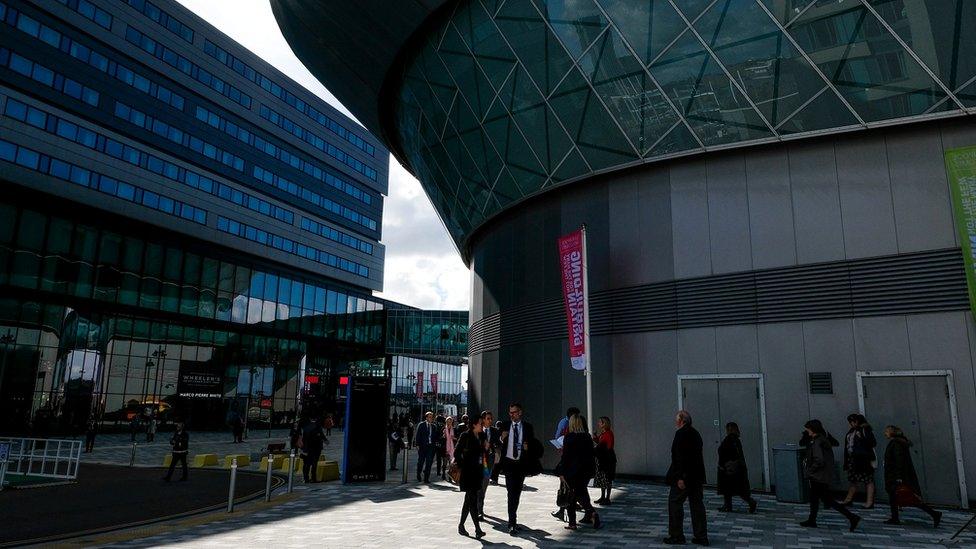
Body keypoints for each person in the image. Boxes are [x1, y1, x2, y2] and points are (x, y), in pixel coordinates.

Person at [799, 419, 861, 531]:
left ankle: (852, 517)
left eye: (808, 428)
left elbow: (819, 460)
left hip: (818, 476)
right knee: (817, 498)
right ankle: (812, 519)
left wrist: (810, 471)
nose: (806, 430)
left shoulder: (817, 441)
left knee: (826, 499)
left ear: (812, 429)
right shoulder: (823, 439)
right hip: (822, 475)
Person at [882, 425, 942, 527]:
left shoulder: (895, 443)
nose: (885, 433)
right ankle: (895, 517)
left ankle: (934, 513)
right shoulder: (899, 442)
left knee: (905, 497)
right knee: (896, 497)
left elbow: (898, 460)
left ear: (892, 432)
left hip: (895, 475)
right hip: (896, 474)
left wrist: (898, 476)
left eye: (887, 431)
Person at [664, 410, 708, 546]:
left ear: (682, 420)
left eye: (677, 419)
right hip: (697, 477)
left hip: (684, 477)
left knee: (675, 503)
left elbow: (680, 457)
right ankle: (701, 536)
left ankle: (677, 535)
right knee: (697, 506)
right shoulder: (695, 433)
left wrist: (681, 477)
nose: (675, 422)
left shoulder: (681, 434)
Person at [499, 402, 538, 536]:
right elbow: (497, 440)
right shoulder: (505, 425)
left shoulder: (527, 427)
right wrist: (501, 438)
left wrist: (528, 447)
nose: (511, 415)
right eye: (510, 412)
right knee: (511, 493)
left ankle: (513, 520)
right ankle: (512, 523)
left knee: (517, 493)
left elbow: (533, 444)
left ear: (520, 412)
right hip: (509, 464)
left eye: (514, 412)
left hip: (521, 465)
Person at [558, 414, 602, 530]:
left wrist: (561, 472)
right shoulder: (587, 437)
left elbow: (566, 457)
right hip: (586, 471)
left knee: (572, 496)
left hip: (572, 471)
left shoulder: (569, 437)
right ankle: (587, 515)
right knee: (580, 492)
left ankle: (582, 517)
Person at [456, 417, 488, 539]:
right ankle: (477, 529)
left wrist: (486, 448)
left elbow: (483, 453)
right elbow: (456, 453)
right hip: (468, 473)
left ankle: (461, 525)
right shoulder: (465, 436)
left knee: (468, 500)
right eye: (480, 423)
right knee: (472, 500)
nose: (482, 425)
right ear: (474, 425)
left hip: (478, 473)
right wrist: (463, 465)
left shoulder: (482, 436)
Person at [717, 422, 757, 513]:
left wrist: (723, 465)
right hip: (736, 468)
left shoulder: (729, 439)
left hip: (729, 468)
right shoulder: (736, 440)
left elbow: (723, 452)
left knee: (729, 488)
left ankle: (731, 505)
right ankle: (728, 505)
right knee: (737, 489)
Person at [841, 413, 877, 509]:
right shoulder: (852, 431)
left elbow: (872, 443)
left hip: (863, 459)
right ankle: (848, 499)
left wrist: (862, 437)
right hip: (852, 459)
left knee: (868, 480)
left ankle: (869, 502)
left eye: (852, 421)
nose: (851, 423)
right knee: (853, 480)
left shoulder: (865, 430)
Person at [477, 410, 499, 518]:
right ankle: (477, 508)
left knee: (484, 484)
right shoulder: (478, 430)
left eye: (491, 418)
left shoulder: (495, 431)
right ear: (483, 420)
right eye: (488, 418)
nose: (490, 420)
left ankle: (480, 508)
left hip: (489, 461)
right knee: (477, 484)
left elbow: (499, 444)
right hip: (478, 461)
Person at [593, 416, 616, 505]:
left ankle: (607, 498)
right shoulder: (603, 433)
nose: (598, 424)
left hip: (607, 459)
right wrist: (595, 437)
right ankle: (602, 496)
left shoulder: (608, 433)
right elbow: (599, 442)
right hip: (602, 458)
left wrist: (599, 447)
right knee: (602, 478)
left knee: (607, 478)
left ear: (604, 424)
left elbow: (608, 446)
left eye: (600, 422)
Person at [415, 411, 440, 482]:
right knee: (421, 462)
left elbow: (436, 437)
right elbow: (418, 435)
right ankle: (418, 474)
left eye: (432, 417)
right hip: (422, 446)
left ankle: (426, 478)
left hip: (431, 447)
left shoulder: (434, 426)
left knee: (429, 463)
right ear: (426, 417)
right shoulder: (421, 425)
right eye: (429, 417)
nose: (431, 418)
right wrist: (417, 444)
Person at [302, 417, 327, 483]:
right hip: (316, 448)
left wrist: (304, 448)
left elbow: (303, 439)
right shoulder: (318, 427)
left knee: (307, 464)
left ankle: (306, 478)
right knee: (314, 463)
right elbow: (321, 435)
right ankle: (313, 478)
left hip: (307, 448)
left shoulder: (306, 427)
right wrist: (326, 441)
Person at [489, 419, 504, 485]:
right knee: (496, 465)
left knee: (495, 465)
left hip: (497, 450)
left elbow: (497, 442)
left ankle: (494, 479)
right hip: (499, 450)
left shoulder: (495, 431)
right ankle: (494, 479)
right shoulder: (500, 431)